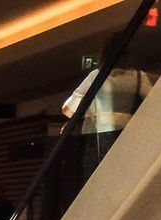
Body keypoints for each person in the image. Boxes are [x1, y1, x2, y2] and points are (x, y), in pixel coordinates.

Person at [62, 35, 155, 182]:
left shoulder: (97, 75)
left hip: (99, 134)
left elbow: (68, 108)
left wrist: (91, 113)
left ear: (104, 53)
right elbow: (153, 103)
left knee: (97, 179)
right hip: (128, 134)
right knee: (124, 178)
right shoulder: (139, 76)